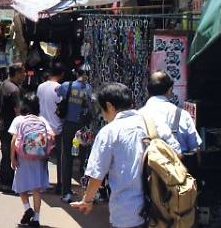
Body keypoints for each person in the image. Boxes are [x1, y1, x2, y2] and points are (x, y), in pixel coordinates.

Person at [71, 82, 181, 228]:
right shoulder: (153, 123)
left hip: (127, 212)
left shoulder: (109, 132)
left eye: (101, 109)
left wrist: (88, 200)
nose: (102, 115)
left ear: (109, 106)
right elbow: (178, 154)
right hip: (161, 207)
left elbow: (96, 175)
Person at [10, 92, 53, 227]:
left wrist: (12, 158)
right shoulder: (42, 120)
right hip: (39, 158)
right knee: (36, 189)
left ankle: (27, 209)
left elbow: (13, 141)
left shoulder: (19, 120)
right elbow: (51, 135)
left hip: (23, 158)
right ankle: (37, 219)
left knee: (21, 186)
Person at [140, 71, 199, 156]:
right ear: (170, 90)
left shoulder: (138, 115)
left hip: (148, 167)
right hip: (178, 166)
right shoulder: (183, 114)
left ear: (147, 90)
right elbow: (195, 147)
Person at [56, 68, 93, 203]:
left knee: (67, 157)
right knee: (83, 159)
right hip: (82, 127)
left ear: (76, 74)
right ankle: (85, 193)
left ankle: (66, 192)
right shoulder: (89, 88)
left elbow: (57, 92)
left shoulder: (67, 85)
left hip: (69, 126)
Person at [0, 64, 26, 195]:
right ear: (17, 73)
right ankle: (7, 184)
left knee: (6, 154)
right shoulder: (15, 90)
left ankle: (2, 181)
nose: (25, 75)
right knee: (11, 155)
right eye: (23, 73)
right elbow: (18, 111)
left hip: (2, 125)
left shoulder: (4, 84)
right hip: (10, 127)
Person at [36, 63, 65, 192]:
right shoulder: (60, 88)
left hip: (42, 126)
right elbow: (62, 106)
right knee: (60, 157)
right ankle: (60, 184)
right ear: (62, 74)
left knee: (42, 157)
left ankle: (42, 183)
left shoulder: (40, 87)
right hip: (56, 128)